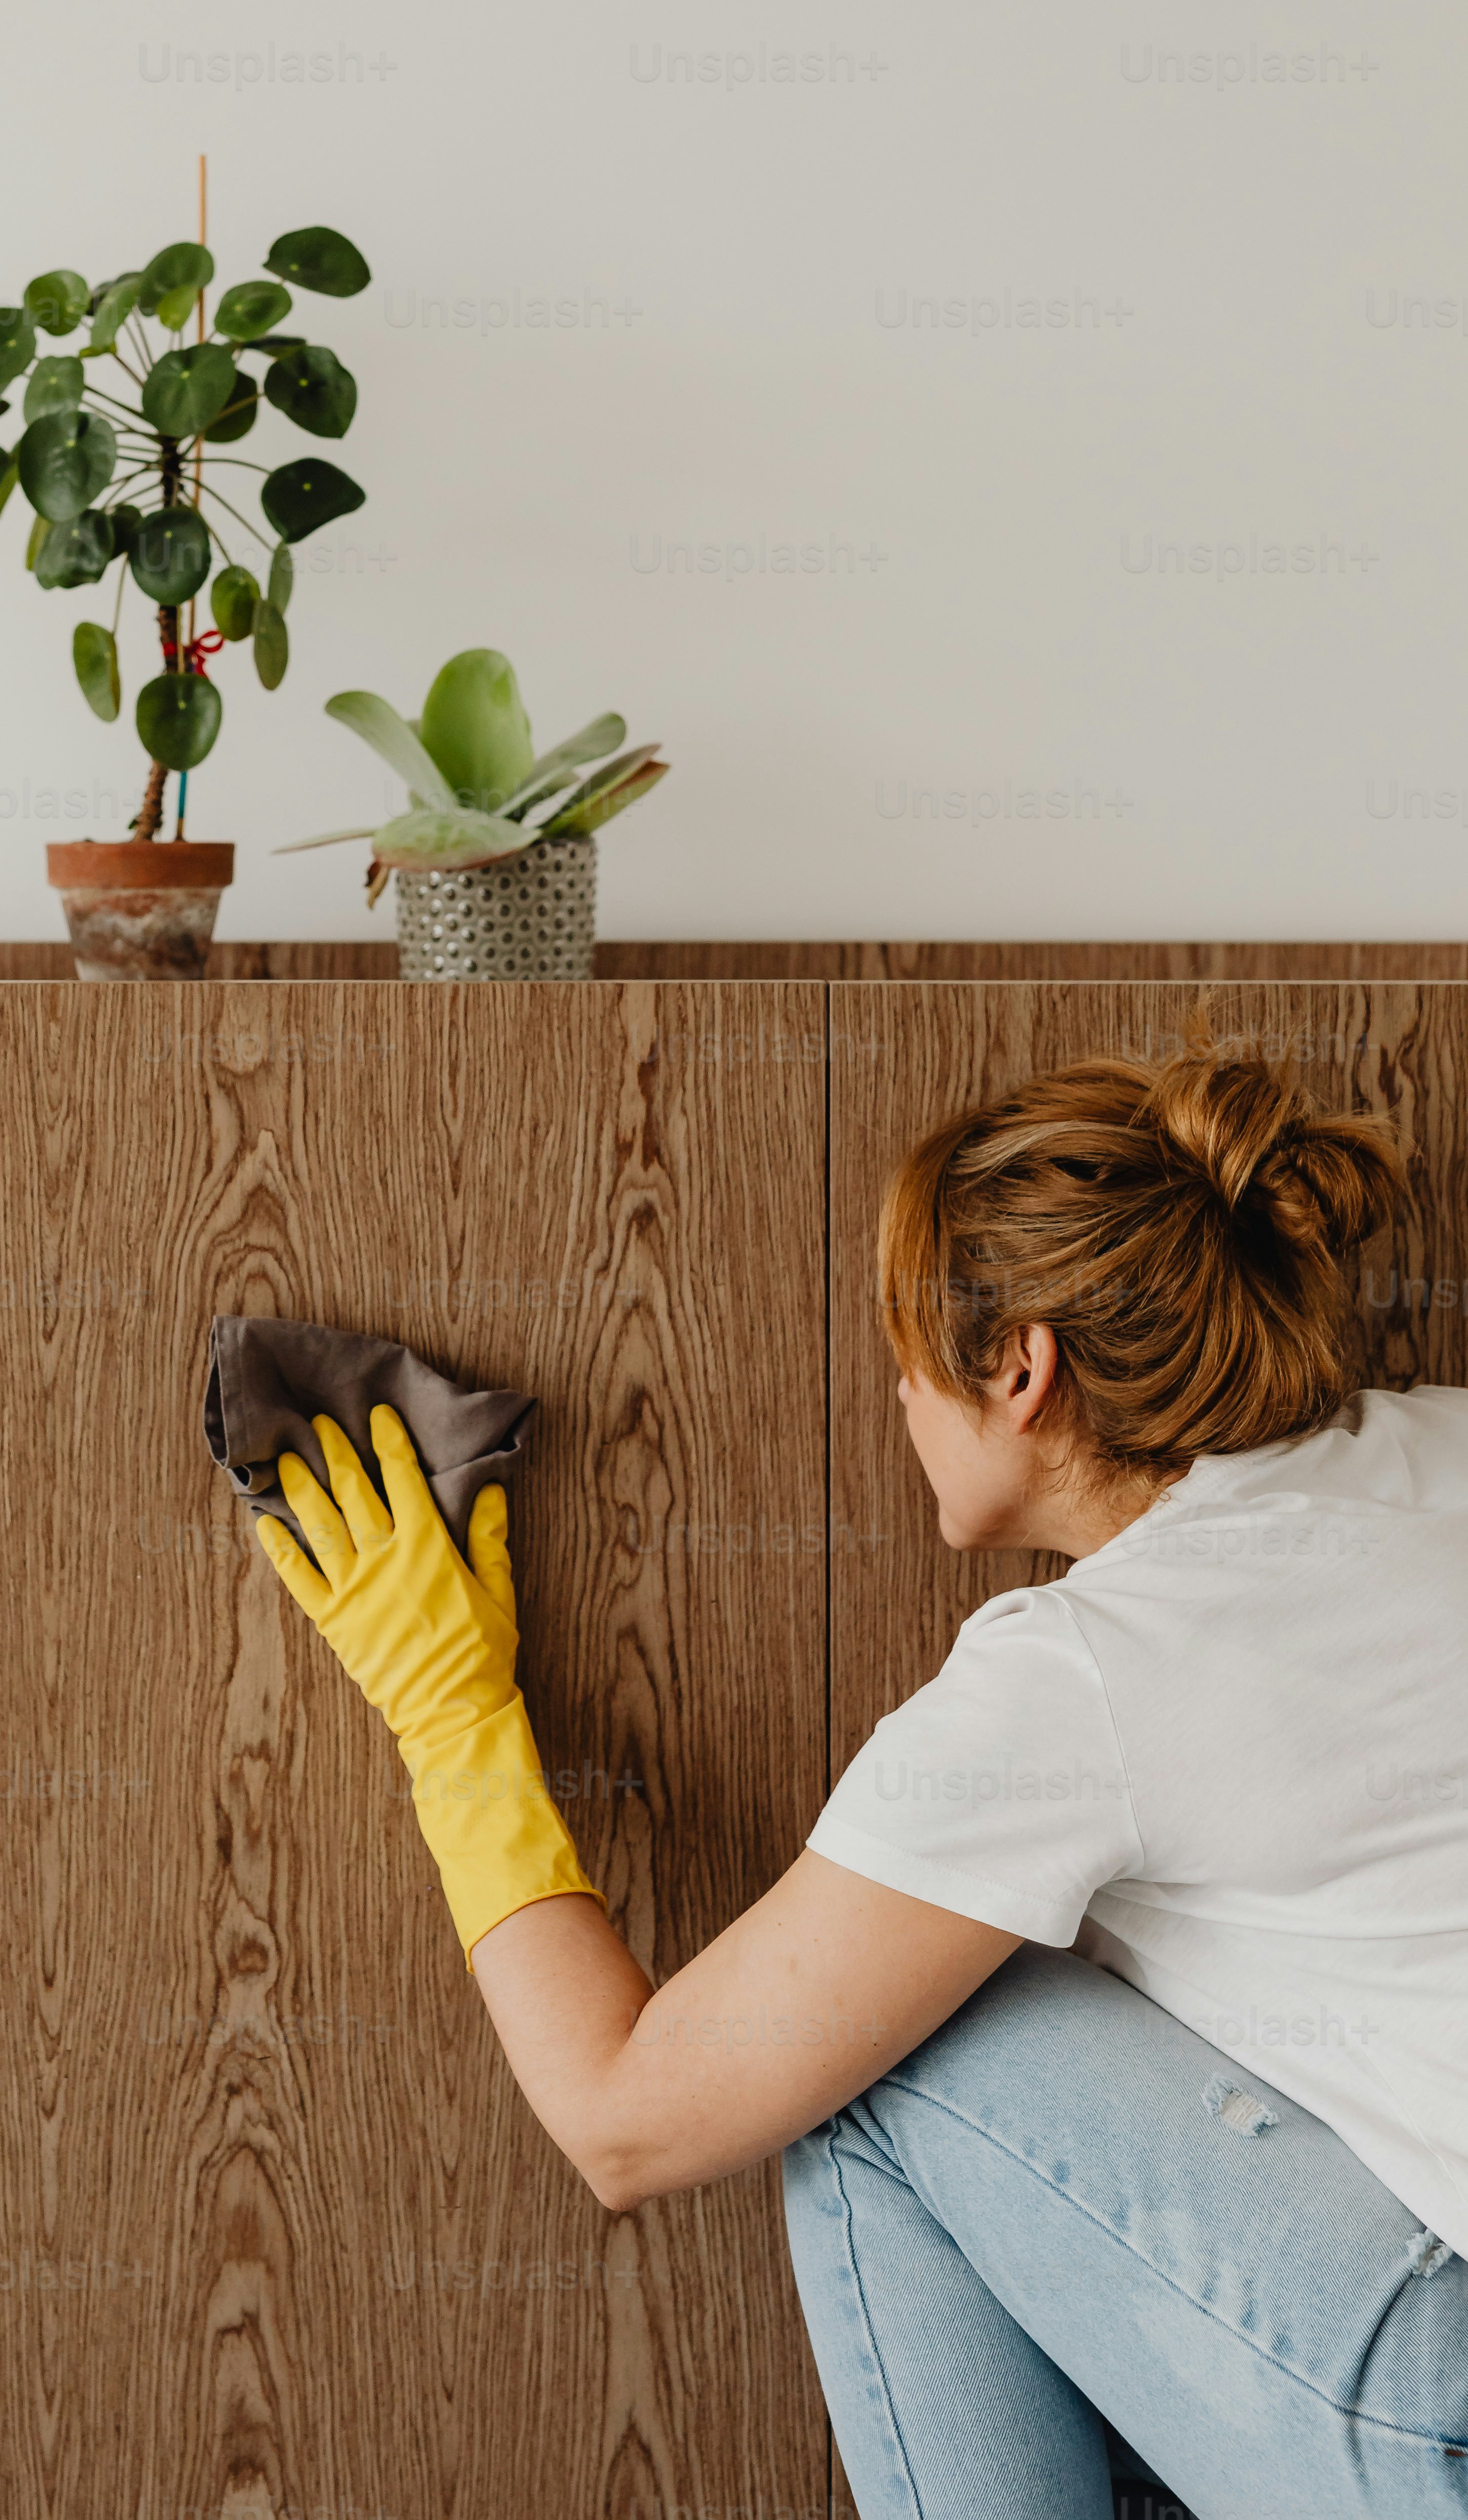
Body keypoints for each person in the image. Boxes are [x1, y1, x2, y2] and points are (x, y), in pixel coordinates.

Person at [257, 1025, 1468, 2519]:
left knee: (876, 2059)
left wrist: (453, 1720)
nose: (896, 1399)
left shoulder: (1083, 1669)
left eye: (903, 1352)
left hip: (1443, 2426)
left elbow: (625, 2117)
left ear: (1017, 1369)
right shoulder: (1446, 1453)